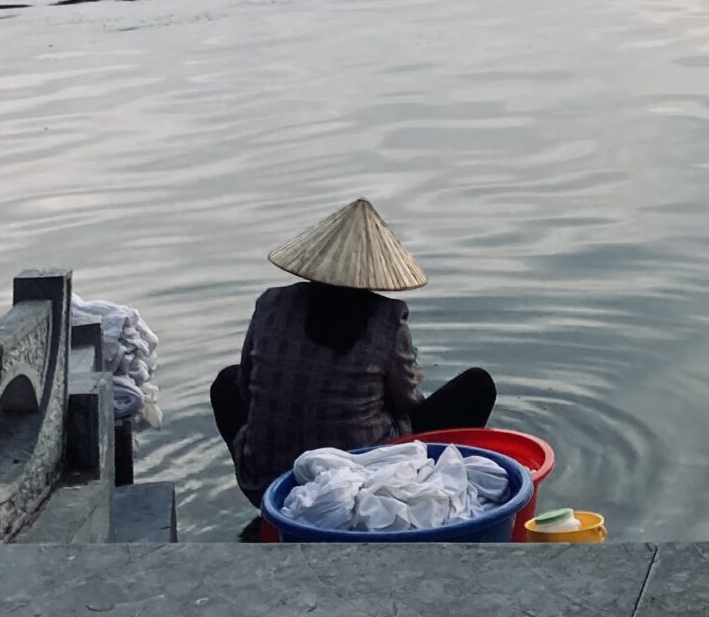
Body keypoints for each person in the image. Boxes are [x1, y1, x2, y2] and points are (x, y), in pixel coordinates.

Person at [210, 197, 496, 506]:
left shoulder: (270, 303)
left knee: (226, 381)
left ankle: (270, 494)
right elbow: (408, 400)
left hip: (266, 481)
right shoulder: (388, 319)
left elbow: (247, 387)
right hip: (361, 483)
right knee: (477, 385)